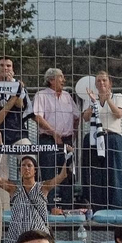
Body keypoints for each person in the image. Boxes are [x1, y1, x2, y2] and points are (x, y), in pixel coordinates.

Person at [77, 71, 122, 210]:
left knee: (114, 172)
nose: (102, 83)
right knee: (94, 172)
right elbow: (86, 117)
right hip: (94, 138)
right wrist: (93, 101)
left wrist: (107, 99)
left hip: (111, 137)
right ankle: (94, 204)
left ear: (110, 82)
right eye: (98, 81)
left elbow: (118, 114)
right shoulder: (91, 98)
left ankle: (115, 205)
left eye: (104, 80)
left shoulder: (117, 96)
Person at [31, 68, 79, 207]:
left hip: (67, 141)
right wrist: (53, 133)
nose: (64, 80)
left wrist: (73, 135)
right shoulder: (41, 95)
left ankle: (68, 209)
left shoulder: (67, 96)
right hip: (48, 140)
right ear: (51, 80)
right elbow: (37, 117)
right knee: (49, 175)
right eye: (61, 77)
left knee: (68, 175)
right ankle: (49, 209)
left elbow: (77, 116)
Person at [0, 56, 32, 145]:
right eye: (2, 65)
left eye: (8, 66)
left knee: (28, 157)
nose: (5, 68)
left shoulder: (19, 84)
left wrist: (12, 86)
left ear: (13, 70)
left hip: (17, 133)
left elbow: (20, 105)